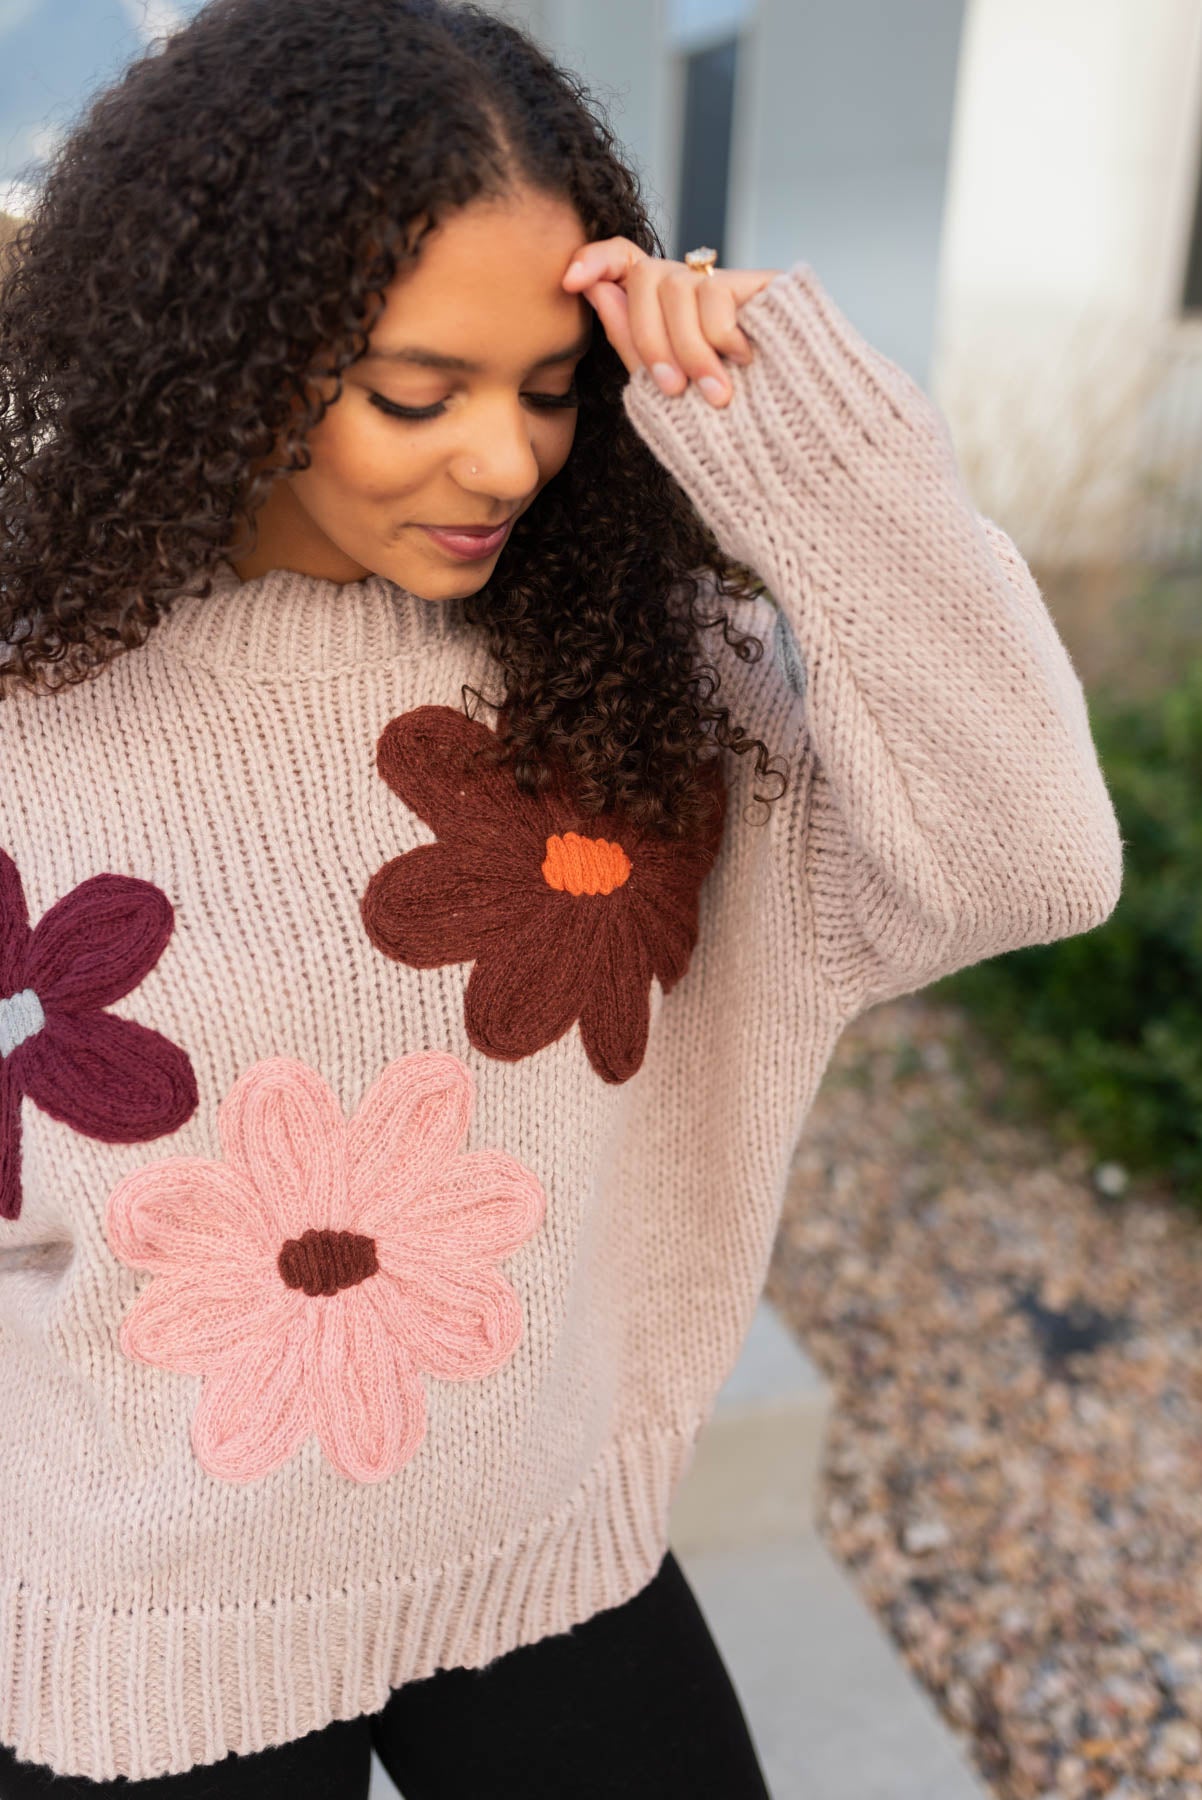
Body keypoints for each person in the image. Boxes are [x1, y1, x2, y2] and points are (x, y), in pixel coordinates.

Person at [0, 0, 1123, 1792]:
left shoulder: (638, 675)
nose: (508, 464)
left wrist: (838, 485)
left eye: (548, 388)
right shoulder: (35, 708)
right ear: (219, 356)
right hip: (136, 1616)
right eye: (413, 392)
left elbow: (1030, 863)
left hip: (546, 1556)